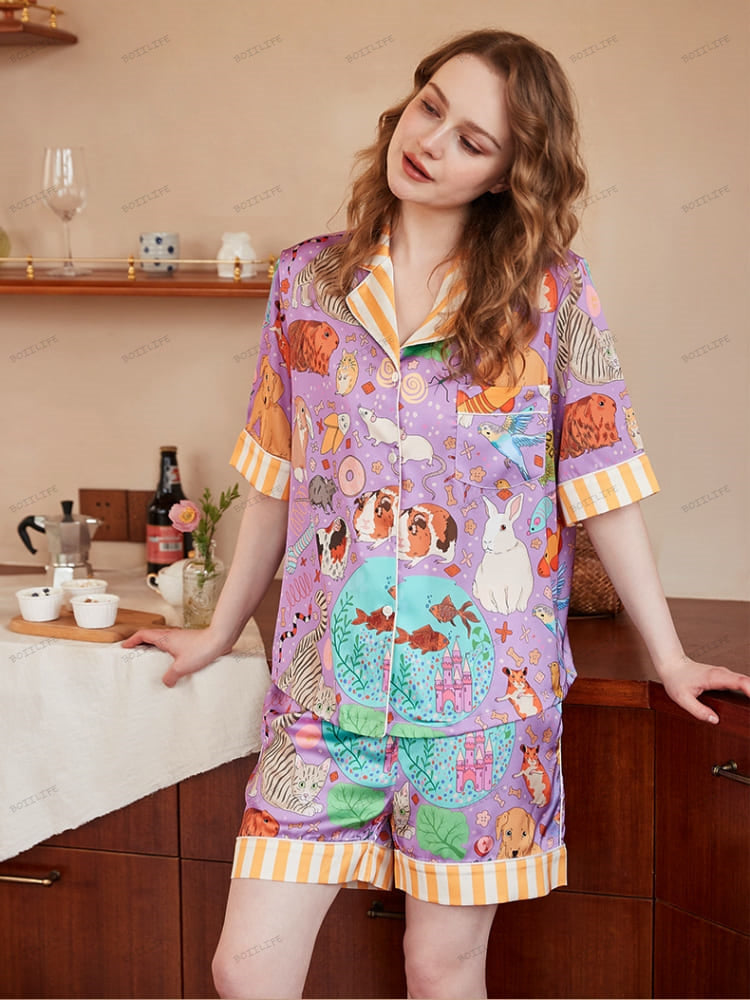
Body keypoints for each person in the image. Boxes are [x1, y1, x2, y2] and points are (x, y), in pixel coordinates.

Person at [124, 28, 750, 1000]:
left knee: (441, 967)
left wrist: (669, 659)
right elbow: (276, 481)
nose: (431, 143)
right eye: (430, 109)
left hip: (482, 712)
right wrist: (216, 633)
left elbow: (607, 487)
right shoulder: (306, 283)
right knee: (244, 968)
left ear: (507, 174)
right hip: (324, 694)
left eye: (472, 140)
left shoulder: (554, 296)